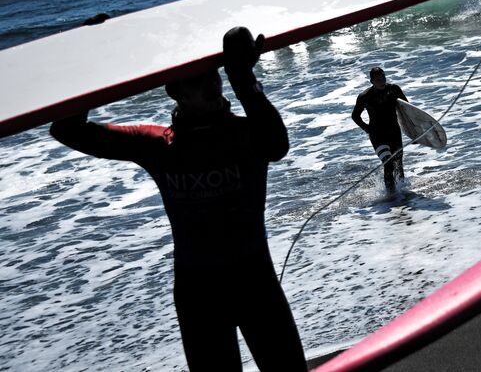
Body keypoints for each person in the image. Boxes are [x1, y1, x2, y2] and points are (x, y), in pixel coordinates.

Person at [50, 27, 307, 372]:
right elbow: (66, 129)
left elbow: (278, 146)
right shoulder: (158, 145)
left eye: (214, 77)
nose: (213, 85)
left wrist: (242, 77)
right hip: (198, 292)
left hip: (254, 280)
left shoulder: (245, 133)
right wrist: (90, 57)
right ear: (175, 92)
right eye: (199, 82)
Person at [352, 67, 409, 192]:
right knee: (388, 163)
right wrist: (367, 129)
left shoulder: (394, 89)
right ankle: (391, 195)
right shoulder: (365, 96)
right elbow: (355, 116)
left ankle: (403, 193)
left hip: (394, 132)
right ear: (371, 81)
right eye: (377, 79)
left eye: (383, 77)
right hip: (377, 135)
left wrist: (413, 132)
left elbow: (407, 109)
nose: (381, 80)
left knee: (398, 163)